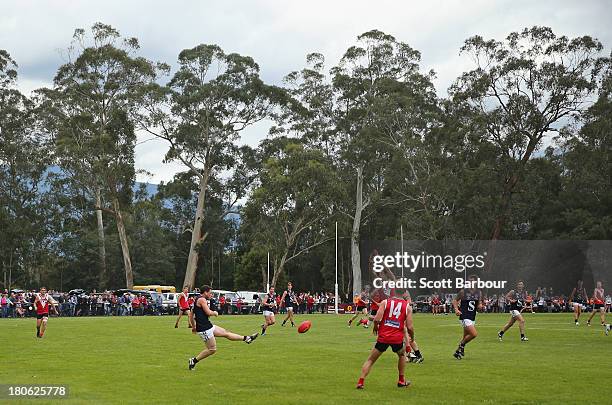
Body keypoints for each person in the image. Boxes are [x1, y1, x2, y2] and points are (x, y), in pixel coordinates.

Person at [188, 285, 258, 370]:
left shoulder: (197, 299)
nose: (211, 295)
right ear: (205, 292)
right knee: (212, 349)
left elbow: (191, 315)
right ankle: (193, 360)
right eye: (210, 293)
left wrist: (193, 326)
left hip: (207, 326)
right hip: (204, 329)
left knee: (226, 333)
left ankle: (247, 338)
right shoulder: (202, 299)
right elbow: (208, 312)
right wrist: (214, 313)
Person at [356, 289, 412, 389]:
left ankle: (361, 381)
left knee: (370, 360)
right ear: (404, 293)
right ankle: (401, 380)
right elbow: (409, 327)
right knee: (402, 355)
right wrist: (411, 338)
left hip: (383, 337)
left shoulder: (385, 302)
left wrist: (375, 326)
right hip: (397, 339)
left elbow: (377, 319)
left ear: (393, 292)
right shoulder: (407, 306)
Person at [452, 276, 483, 359]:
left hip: (472, 316)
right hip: (464, 316)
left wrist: (480, 306)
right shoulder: (463, 292)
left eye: (473, 281)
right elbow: (455, 301)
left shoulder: (479, 292)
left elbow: (479, 304)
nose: (471, 283)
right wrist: (456, 310)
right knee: (474, 334)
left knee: (465, 337)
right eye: (470, 281)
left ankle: (457, 352)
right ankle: (461, 345)